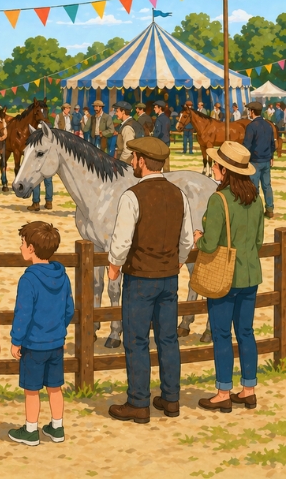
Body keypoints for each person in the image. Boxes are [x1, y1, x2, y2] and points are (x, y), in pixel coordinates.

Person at [106, 137, 194, 423]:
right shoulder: (179, 195)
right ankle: (171, 399)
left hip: (141, 277)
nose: (132, 162)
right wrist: (178, 261)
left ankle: (139, 402)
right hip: (169, 277)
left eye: (134, 158)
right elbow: (187, 238)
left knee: (136, 339)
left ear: (142, 162)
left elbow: (121, 241)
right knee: (168, 339)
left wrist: (114, 266)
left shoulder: (132, 196)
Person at [192, 142, 263, 413]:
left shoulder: (219, 199)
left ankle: (223, 391)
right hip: (250, 273)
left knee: (222, 334)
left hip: (225, 276)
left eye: (216, 164)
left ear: (226, 170)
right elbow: (257, 240)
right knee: (246, 332)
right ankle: (248, 389)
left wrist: (199, 238)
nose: (213, 167)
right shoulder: (255, 198)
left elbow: (210, 244)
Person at [8, 221, 74, 446]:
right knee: (55, 387)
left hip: (34, 345)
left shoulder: (29, 279)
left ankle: (31, 430)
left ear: (32, 248)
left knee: (32, 389)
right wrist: (60, 330)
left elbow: (23, 314)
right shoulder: (62, 276)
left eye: (23, 243)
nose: (20, 247)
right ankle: (57, 426)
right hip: (56, 343)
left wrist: (16, 341)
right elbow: (69, 309)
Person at [243, 101, 275, 218]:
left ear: (252, 111)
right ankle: (270, 209)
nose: (249, 113)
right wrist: (271, 156)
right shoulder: (268, 125)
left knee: (254, 186)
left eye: (249, 111)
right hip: (266, 160)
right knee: (267, 186)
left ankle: (255, 210)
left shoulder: (251, 126)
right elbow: (273, 144)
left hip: (255, 161)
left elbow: (247, 145)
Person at [152, 101, 171, 172]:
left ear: (160, 108)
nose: (154, 109)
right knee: (166, 163)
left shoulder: (159, 119)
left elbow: (158, 132)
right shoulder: (167, 118)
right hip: (166, 142)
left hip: (160, 143)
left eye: (155, 107)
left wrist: (153, 138)